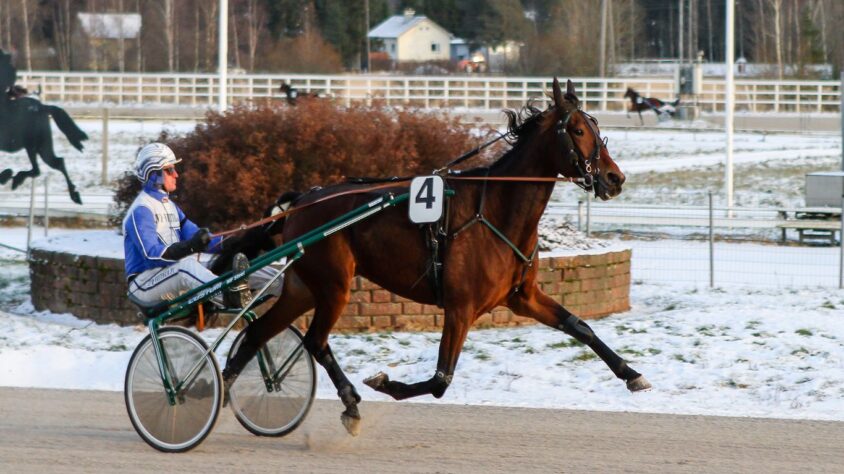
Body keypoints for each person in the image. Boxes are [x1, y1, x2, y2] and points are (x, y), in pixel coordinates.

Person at [123, 142, 253, 309]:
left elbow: (196, 236)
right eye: (169, 170)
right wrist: (190, 247)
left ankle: (281, 285)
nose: (176, 174)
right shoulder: (141, 210)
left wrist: (232, 243)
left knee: (226, 260)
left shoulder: (170, 206)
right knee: (186, 267)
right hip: (143, 283)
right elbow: (151, 256)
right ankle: (228, 297)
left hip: (166, 274)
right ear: (154, 174)